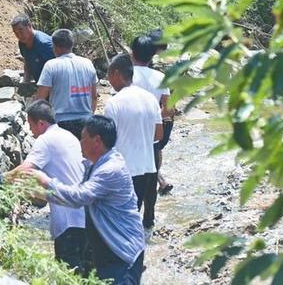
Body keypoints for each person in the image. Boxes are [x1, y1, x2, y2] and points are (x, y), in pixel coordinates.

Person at [26, 115, 146, 284]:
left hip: (122, 252)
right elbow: (76, 198)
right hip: (108, 251)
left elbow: (79, 197)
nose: (80, 142)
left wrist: (46, 182)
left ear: (97, 141)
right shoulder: (94, 165)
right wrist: (42, 194)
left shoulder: (110, 170)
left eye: (83, 138)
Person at [4, 101, 86, 271]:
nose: (31, 131)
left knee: (69, 274)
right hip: (86, 216)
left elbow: (26, 170)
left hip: (69, 221)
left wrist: (0, 179)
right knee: (86, 274)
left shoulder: (46, 140)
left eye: (31, 125)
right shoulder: (68, 136)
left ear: (41, 123)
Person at [104, 54, 162, 242]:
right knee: (134, 214)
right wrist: (141, 138)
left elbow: (107, 142)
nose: (108, 80)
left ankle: (129, 258)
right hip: (146, 168)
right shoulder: (150, 99)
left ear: (117, 73)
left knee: (120, 220)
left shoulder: (114, 103)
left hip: (124, 170)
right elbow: (158, 135)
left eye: (108, 75)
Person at [131, 35, 175, 196]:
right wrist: (155, 119)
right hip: (155, 129)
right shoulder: (160, 77)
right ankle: (149, 217)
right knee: (153, 161)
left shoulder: (127, 76)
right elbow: (169, 109)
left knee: (132, 169)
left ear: (132, 53)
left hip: (132, 128)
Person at [36, 29, 98, 140]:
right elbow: (94, 97)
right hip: (86, 121)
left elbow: (40, 99)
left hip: (61, 123)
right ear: (72, 44)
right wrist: (90, 117)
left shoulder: (51, 65)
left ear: (54, 46)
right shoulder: (88, 63)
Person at [11, 14, 55, 84]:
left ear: (29, 25)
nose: (19, 35)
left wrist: (43, 91)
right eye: (16, 33)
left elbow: (58, 71)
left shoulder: (44, 44)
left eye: (21, 31)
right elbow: (28, 62)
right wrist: (25, 82)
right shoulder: (22, 43)